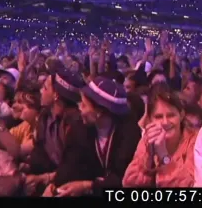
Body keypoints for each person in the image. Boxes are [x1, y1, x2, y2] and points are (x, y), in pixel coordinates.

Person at [45, 76, 141, 197]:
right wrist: (55, 186)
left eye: (84, 105)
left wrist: (88, 186)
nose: (80, 108)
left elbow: (123, 178)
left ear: (99, 112)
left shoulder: (129, 133)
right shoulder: (79, 128)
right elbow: (70, 164)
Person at [23, 66, 83, 196]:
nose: (40, 90)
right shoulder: (45, 115)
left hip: (70, 183)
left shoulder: (75, 124)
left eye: (45, 88)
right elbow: (40, 152)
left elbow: (73, 169)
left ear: (56, 95)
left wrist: (46, 179)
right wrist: (27, 168)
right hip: (51, 176)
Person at [123, 83, 197, 187]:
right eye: (158, 117)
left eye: (171, 115)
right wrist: (148, 157)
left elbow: (189, 186)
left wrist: (164, 156)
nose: (165, 122)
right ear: (150, 120)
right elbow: (129, 183)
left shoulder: (195, 140)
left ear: (181, 115)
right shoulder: (147, 139)